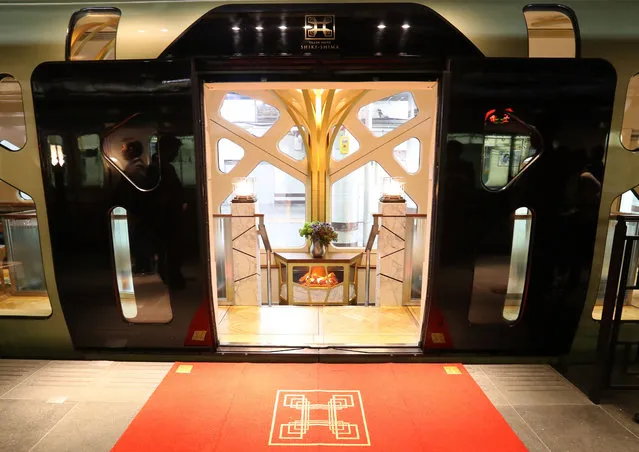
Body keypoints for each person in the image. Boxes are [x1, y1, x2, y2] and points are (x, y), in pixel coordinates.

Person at [148, 134, 187, 289]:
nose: (176, 154)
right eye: (175, 150)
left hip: (167, 216)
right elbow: (163, 194)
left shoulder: (159, 166)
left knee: (170, 250)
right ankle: (171, 279)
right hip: (166, 218)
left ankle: (172, 278)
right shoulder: (160, 168)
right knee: (170, 249)